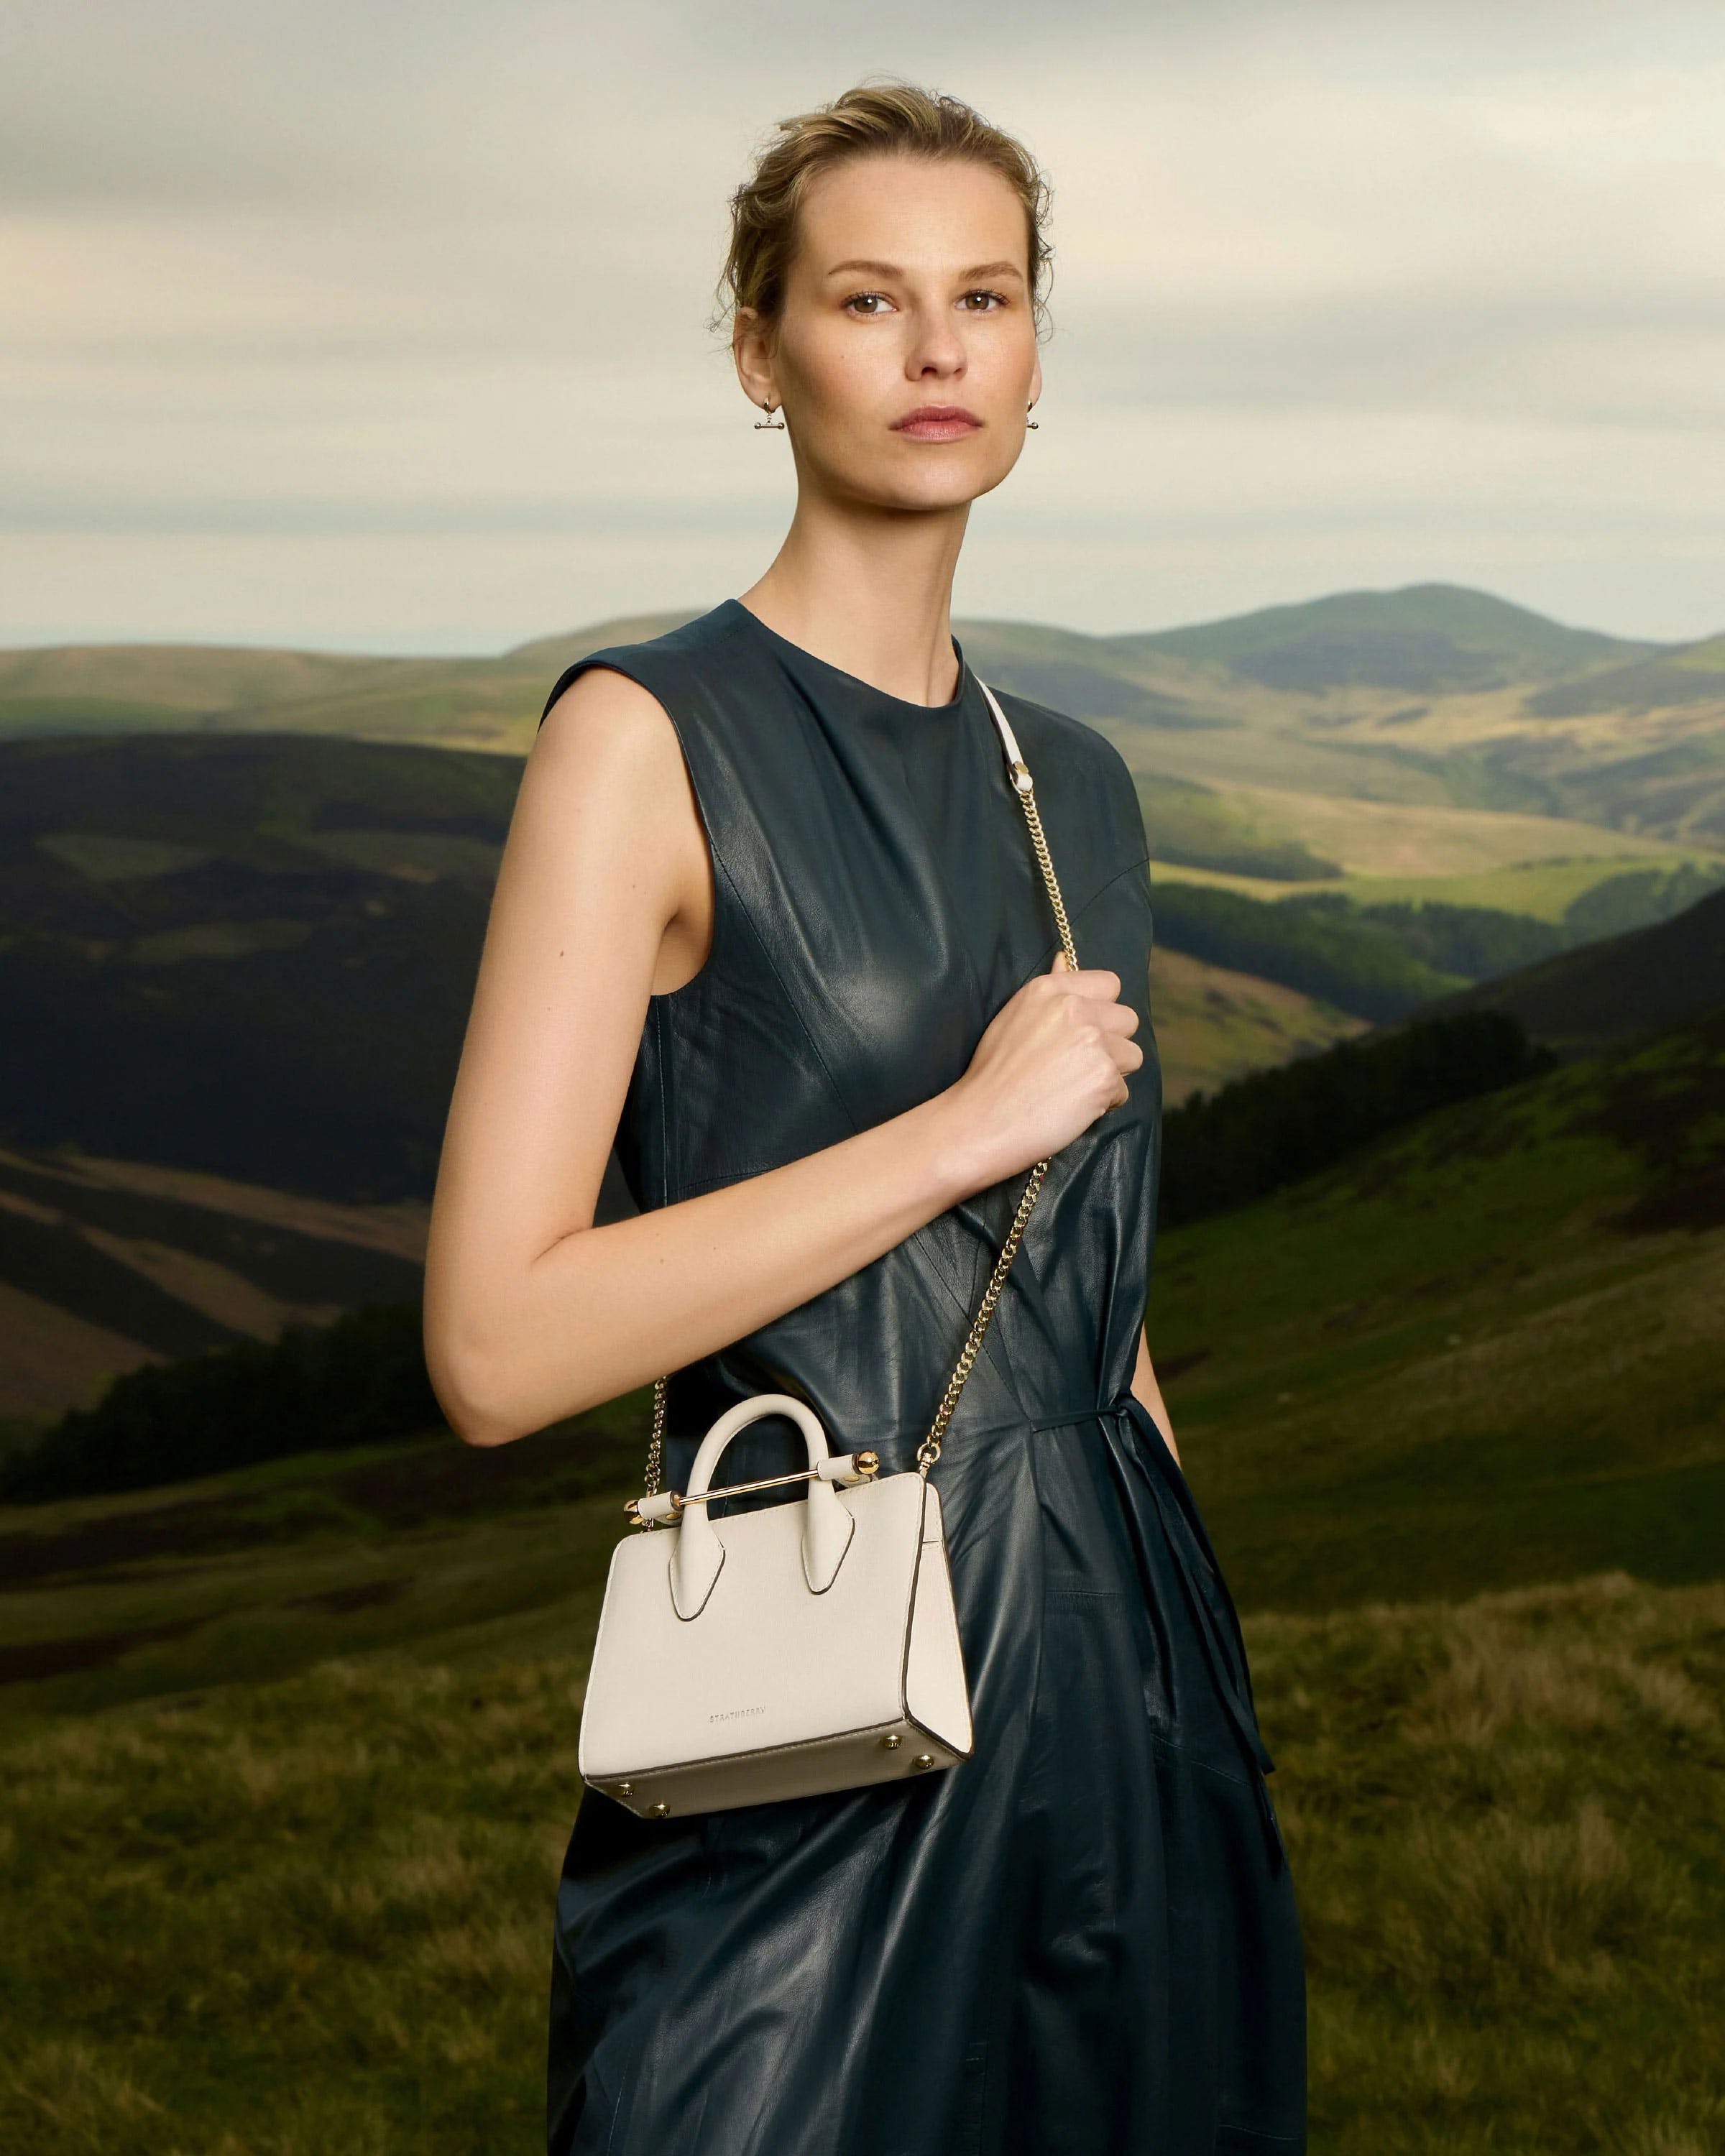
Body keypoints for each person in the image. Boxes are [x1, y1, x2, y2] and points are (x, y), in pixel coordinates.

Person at [423, 77, 1306, 2156]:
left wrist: (1207, 1679)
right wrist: (953, 1132)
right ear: (762, 349)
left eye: (985, 298)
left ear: (1030, 355)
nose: (935, 350)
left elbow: (1099, 1291)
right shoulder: (642, 741)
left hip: (1126, 1664)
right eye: (869, 299)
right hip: (813, 1690)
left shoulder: (1074, 777)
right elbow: (493, 1345)